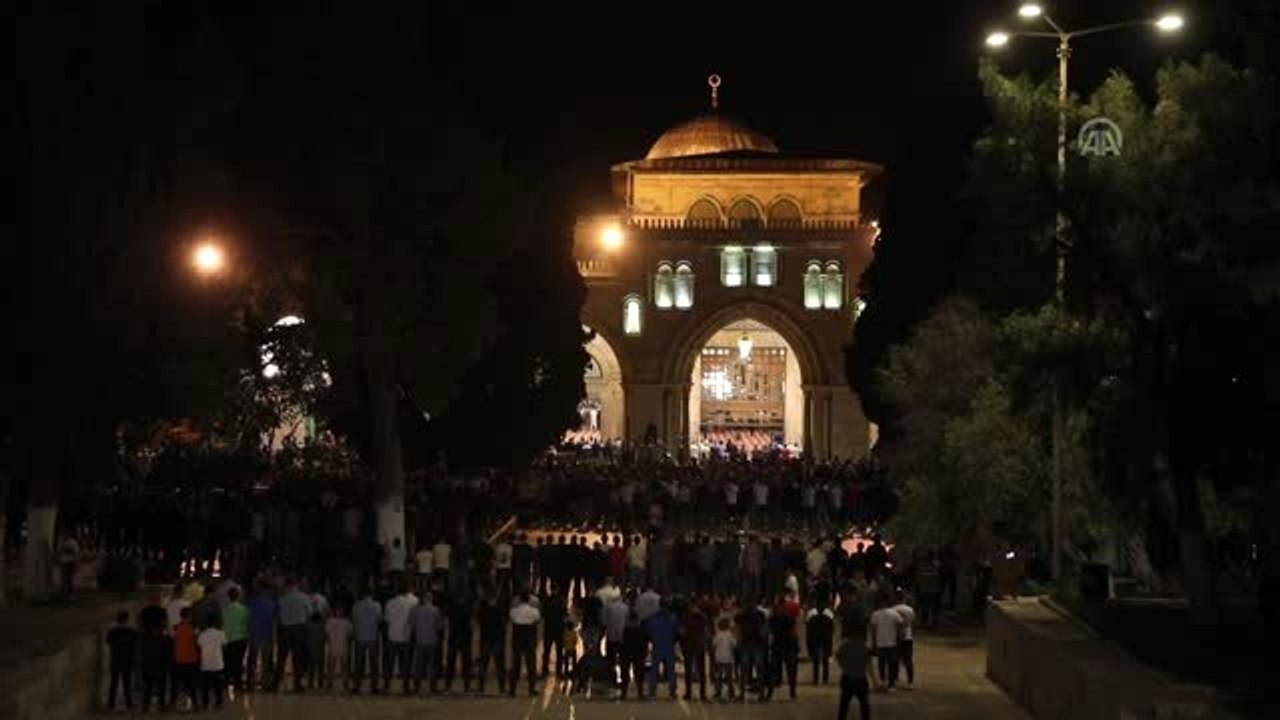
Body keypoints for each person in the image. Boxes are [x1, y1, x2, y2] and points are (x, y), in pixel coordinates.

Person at [276, 578, 313, 692]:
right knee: (298, 658)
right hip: (299, 629)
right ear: (296, 585)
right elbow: (310, 613)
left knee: (282, 658)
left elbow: (278, 614)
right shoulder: (304, 597)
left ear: (288, 586)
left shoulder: (281, 599)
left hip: (285, 629)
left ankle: (275, 683)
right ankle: (297, 684)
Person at [383, 582, 418, 693]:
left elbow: (387, 619)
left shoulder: (389, 603)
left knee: (390, 663)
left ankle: (387, 685)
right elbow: (413, 621)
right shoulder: (411, 603)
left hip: (392, 636)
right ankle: (405, 685)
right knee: (406, 664)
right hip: (406, 637)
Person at [767, 594, 800, 700]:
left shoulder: (773, 617)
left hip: (777, 646)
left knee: (773, 672)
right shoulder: (789, 617)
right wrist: (796, 646)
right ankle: (792, 692)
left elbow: (769, 632)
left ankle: (770, 693)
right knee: (791, 671)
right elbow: (793, 633)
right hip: (789, 646)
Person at [350, 587, 383, 693]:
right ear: (371, 595)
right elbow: (379, 620)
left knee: (358, 663)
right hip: (372, 636)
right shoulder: (377, 605)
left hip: (360, 636)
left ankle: (357, 686)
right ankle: (374, 686)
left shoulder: (356, 605)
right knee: (374, 663)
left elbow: (354, 621)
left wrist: (354, 634)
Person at [509, 592, 542, 696]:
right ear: (529, 600)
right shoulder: (534, 612)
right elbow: (537, 620)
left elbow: (511, 618)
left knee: (515, 664)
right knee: (531, 664)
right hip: (529, 638)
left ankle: (512, 689)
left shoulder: (514, 611)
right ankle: (531, 689)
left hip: (517, 637)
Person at [246, 583, 277, 691]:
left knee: (252, 660)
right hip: (266, 635)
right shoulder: (272, 604)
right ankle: (265, 683)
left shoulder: (252, 602)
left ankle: (250, 683)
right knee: (265, 661)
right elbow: (273, 622)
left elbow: (248, 618)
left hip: (254, 634)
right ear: (267, 592)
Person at [139, 610, 172, 711]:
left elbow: (142, 653)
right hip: (161, 667)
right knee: (161, 687)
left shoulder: (144, 639)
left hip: (148, 666)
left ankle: (146, 705)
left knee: (148, 687)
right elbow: (168, 654)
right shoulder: (166, 639)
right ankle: (161, 705)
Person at [410, 591, 442, 693]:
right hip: (432, 640)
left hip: (420, 641)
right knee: (432, 666)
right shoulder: (436, 610)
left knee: (418, 666)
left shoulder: (416, 610)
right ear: (431, 599)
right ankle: (433, 687)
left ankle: (416, 687)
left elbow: (413, 625)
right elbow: (439, 626)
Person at [645, 601, 678, 699]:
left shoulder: (653, 619)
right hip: (668, 646)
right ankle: (672, 691)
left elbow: (648, 633)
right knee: (671, 670)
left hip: (657, 646)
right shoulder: (673, 619)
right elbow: (677, 633)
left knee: (654, 669)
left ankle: (652, 691)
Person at [106, 609, 138, 710]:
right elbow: (135, 645)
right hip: (127, 660)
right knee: (127, 683)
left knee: (113, 683)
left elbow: (108, 642)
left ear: (117, 619)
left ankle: (111, 703)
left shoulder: (112, 631)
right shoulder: (132, 632)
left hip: (115, 659)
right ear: (127, 619)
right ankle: (129, 704)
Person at [835, 632, 871, 720]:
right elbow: (869, 665)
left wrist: (843, 666)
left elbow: (838, 655)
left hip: (848, 677)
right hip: (861, 678)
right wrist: (875, 681)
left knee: (844, 705)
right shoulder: (864, 647)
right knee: (864, 704)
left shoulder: (845, 646)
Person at [869, 600, 903, 691]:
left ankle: (883, 682)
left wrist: (873, 642)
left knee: (882, 664)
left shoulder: (875, 614)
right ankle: (891, 685)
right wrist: (899, 635)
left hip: (880, 642)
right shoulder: (894, 613)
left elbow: (873, 630)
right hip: (892, 642)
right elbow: (901, 623)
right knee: (891, 664)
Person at [476, 592, 506, 694]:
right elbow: (503, 625)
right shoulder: (499, 610)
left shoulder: (483, 611)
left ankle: (480, 687)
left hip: (485, 639)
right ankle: (501, 688)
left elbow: (478, 620)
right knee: (500, 665)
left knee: (483, 664)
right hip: (497, 639)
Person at [444, 591, 474, 693]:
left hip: (453, 637)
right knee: (466, 663)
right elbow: (470, 624)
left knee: (450, 663)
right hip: (465, 638)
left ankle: (447, 685)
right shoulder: (468, 609)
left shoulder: (451, 608)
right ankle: (466, 685)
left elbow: (447, 617)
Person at [170, 607, 200, 709]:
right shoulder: (194, 629)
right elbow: (197, 642)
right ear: (190, 616)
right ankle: (195, 704)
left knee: (176, 684)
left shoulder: (175, 628)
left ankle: (172, 703)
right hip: (191, 659)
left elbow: (173, 642)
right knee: (192, 684)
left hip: (178, 659)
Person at [221, 587, 249, 692]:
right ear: (238, 596)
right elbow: (246, 624)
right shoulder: (244, 609)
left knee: (228, 663)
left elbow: (222, 625)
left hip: (228, 640)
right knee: (239, 662)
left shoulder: (224, 610)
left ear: (229, 597)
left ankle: (226, 683)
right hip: (241, 639)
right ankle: (238, 684)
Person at [196, 615, 227, 710]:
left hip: (206, 664)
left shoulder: (202, 634)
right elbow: (224, 645)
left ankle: (205, 704)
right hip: (217, 664)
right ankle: (219, 703)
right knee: (218, 686)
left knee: (205, 686)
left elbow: (198, 645)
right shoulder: (221, 633)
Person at [680, 599, 709, 701]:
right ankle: (702, 694)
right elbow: (706, 630)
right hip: (698, 645)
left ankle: (689, 693)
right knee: (700, 671)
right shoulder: (702, 616)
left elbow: (682, 632)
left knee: (690, 671)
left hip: (690, 646)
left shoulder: (685, 617)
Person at [620, 611, 648, 700]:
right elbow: (644, 643)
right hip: (638, 654)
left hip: (627, 653)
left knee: (625, 673)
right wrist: (644, 653)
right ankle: (640, 693)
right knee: (639, 674)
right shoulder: (641, 630)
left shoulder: (625, 630)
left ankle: (624, 693)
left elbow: (622, 642)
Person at [806, 600, 836, 685]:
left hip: (815, 638)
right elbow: (832, 629)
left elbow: (809, 629)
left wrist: (809, 643)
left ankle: (816, 679)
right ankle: (825, 679)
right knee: (825, 659)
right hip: (826, 638)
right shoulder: (829, 614)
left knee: (816, 660)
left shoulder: (811, 614)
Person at [891, 592, 917, 689]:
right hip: (908, 636)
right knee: (908, 659)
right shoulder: (910, 609)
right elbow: (913, 622)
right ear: (904, 599)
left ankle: (895, 679)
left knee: (895, 659)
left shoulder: (893, 609)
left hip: (896, 637)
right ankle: (910, 682)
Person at [325, 605, 353, 690]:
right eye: (338, 610)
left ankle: (345, 681)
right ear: (335, 611)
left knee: (344, 665)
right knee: (331, 665)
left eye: (340, 610)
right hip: (334, 645)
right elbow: (326, 632)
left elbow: (350, 633)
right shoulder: (330, 621)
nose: (339, 612)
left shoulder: (346, 621)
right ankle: (330, 681)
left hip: (342, 645)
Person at [541, 591, 567, 678]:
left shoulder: (547, 601)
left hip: (548, 629)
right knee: (559, 652)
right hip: (559, 629)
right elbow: (565, 613)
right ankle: (559, 671)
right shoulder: (561, 601)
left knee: (547, 651)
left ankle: (544, 671)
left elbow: (543, 613)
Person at [711, 617, 737, 701]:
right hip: (728, 659)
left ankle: (718, 691)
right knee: (729, 677)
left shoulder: (718, 635)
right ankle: (731, 692)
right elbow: (734, 644)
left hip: (719, 658)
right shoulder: (730, 635)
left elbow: (714, 644)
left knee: (719, 676)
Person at [305, 612, 327, 689]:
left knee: (311, 669)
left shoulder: (309, 627)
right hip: (320, 651)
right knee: (320, 669)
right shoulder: (322, 628)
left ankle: (310, 683)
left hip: (310, 651)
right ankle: (320, 683)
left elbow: (307, 622)